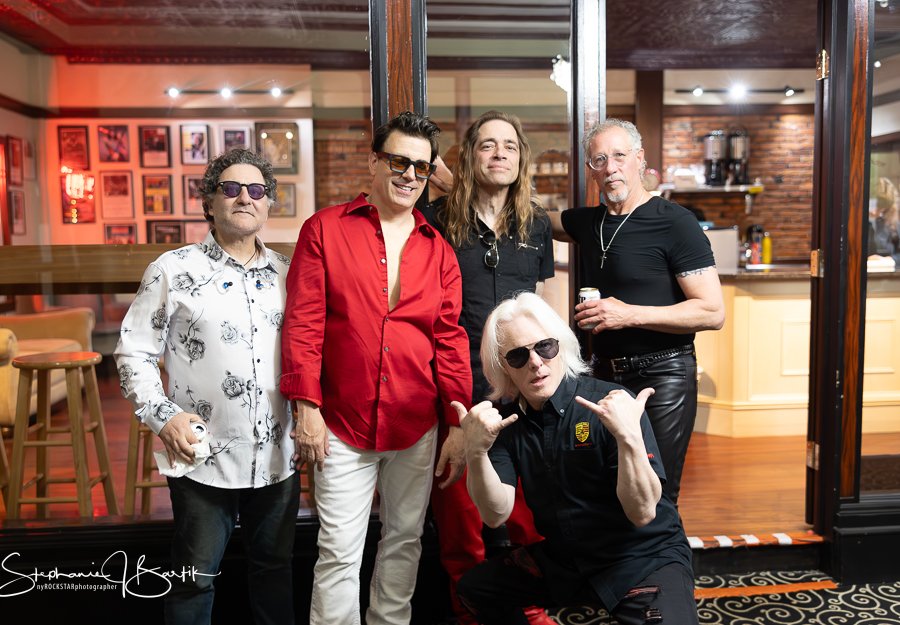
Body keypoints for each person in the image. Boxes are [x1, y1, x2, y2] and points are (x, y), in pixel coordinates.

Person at [280, 111, 472, 625]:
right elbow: (303, 323)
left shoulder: (439, 251)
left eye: (421, 167)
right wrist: (306, 406)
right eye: (399, 162)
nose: (410, 175)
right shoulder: (325, 229)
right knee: (339, 550)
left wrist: (456, 422)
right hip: (341, 422)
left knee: (405, 541)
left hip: (416, 422)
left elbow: (449, 340)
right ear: (374, 162)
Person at [115, 148, 298, 625]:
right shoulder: (172, 269)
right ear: (209, 203)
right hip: (202, 457)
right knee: (193, 581)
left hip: (277, 457)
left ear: (268, 202)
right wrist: (164, 417)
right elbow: (133, 352)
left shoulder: (289, 274)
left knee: (275, 573)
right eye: (231, 188)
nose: (244, 198)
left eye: (256, 190)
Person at [454, 292, 699, 625]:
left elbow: (642, 513)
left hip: (641, 557)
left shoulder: (611, 403)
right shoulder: (505, 421)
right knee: (476, 589)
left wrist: (628, 438)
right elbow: (495, 514)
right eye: (518, 355)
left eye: (545, 347)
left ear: (562, 346)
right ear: (503, 367)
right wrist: (476, 451)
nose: (535, 362)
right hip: (567, 560)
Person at [421, 110, 554, 625]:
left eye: (510, 146)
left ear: (521, 160)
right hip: (455, 383)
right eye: (487, 145)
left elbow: (540, 303)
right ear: (469, 157)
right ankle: (469, 612)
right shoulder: (436, 220)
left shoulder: (536, 224)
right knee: (460, 516)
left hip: (520, 384)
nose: (499, 153)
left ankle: (531, 606)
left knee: (528, 508)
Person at [549, 118, 725, 505]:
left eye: (619, 156)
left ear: (640, 159)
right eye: (599, 160)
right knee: (609, 490)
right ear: (591, 169)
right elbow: (532, 219)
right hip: (602, 375)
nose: (610, 167)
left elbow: (712, 312)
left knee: (654, 493)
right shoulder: (588, 222)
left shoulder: (676, 222)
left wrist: (627, 314)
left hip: (663, 376)